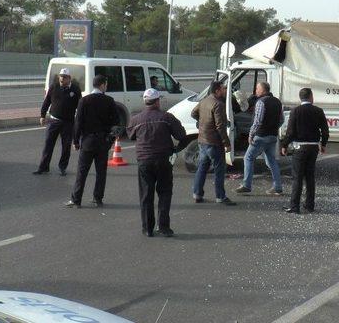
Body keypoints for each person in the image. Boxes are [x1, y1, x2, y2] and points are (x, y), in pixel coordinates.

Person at [126, 88, 186, 237]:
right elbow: (181, 134)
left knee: (146, 194)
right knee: (165, 192)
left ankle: (147, 228)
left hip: (144, 160)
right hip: (164, 159)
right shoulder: (167, 117)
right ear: (158, 101)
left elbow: (130, 135)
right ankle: (164, 227)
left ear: (145, 102)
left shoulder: (136, 119)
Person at [65, 75, 119, 208]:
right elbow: (116, 123)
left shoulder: (84, 100)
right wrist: (110, 139)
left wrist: (76, 141)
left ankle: (76, 200)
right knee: (101, 172)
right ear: (102, 85)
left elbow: (78, 122)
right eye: (105, 84)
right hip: (103, 142)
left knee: (82, 172)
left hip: (88, 142)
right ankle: (97, 198)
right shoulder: (109, 101)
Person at [280, 88, 329, 214]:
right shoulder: (318, 111)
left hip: (299, 147)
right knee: (310, 176)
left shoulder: (295, 111)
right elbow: (325, 130)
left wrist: (284, 145)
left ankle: (294, 206)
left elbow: (290, 132)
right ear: (311, 97)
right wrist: (323, 144)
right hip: (313, 148)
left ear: (300, 98)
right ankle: (309, 205)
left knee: (297, 178)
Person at [236, 82, 284, 195]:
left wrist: (251, 134)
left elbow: (257, 121)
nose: (256, 91)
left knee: (248, 158)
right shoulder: (277, 102)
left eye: (257, 89)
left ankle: (246, 185)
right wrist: (273, 128)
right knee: (271, 161)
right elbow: (281, 119)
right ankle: (277, 187)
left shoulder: (261, 102)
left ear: (263, 90)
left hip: (261, 136)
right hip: (272, 136)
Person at [191, 80, 235, 205]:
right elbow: (220, 126)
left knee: (202, 168)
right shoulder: (218, 104)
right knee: (219, 170)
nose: (225, 91)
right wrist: (226, 143)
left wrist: (202, 122)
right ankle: (220, 196)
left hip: (202, 140)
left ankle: (197, 193)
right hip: (214, 142)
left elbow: (193, 113)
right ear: (217, 90)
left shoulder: (204, 101)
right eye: (223, 89)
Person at [34, 68, 82, 176]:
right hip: (53, 120)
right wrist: (42, 115)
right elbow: (46, 102)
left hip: (68, 122)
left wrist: (80, 120)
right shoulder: (54, 87)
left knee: (66, 146)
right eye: (61, 76)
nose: (62, 78)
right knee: (48, 144)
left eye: (64, 77)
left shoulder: (75, 89)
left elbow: (80, 106)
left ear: (69, 78)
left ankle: (62, 167)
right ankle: (43, 167)